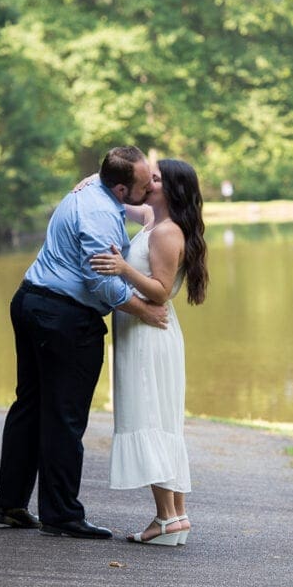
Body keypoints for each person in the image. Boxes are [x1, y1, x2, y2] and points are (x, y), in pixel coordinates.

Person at [0, 146, 169, 540]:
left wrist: (149, 206)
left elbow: (135, 209)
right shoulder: (103, 214)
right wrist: (146, 311)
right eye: (143, 185)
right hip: (64, 319)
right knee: (64, 418)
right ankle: (62, 515)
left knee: (30, 407)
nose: (148, 189)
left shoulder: (93, 191)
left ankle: (10, 504)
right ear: (121, 188)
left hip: (31, 301)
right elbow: (101, 281)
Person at [89, 158, 208, 546]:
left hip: (148, 332)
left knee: (152, 418)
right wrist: (93, 181)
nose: (147, 182)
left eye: (155, 179)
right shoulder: (153, 221)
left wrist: (123, 267)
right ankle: (176, 518)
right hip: (149, 330)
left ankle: (166, 516)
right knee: (162, 421)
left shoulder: (166, 233)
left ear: (171, 189)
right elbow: (122, 199)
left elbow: (159, 288)